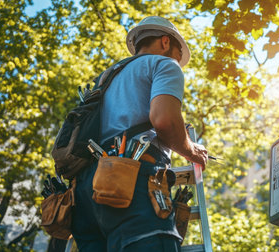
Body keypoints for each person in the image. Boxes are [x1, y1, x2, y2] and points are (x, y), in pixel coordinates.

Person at [71, 16, 208, 252]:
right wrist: (192, 150)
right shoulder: (164, 64)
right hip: (131, 178)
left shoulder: (106, 78)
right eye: (177, 56)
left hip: (84, 192)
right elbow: (164, 120)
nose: (177, 62)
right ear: (165, 42)